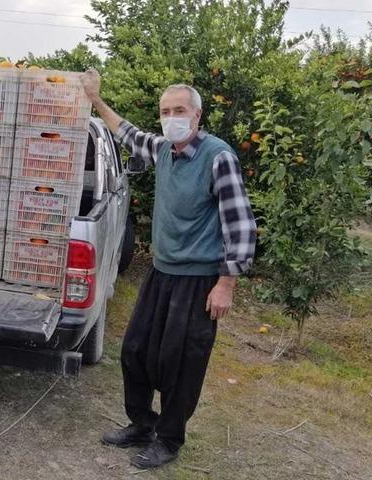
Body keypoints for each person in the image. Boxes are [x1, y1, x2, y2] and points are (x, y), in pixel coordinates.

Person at [80, 70, 257, 469]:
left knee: (181, 362)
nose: (172, 117)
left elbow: (240, 224)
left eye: (180, 110)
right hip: (161, 272)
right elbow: (126, 133)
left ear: (197, 115)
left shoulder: (218, 157)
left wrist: (226, 284)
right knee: (136, 350)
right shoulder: (163, 150)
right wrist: (95, 100)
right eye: (165, 111)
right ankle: (142, 424)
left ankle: (170, 438)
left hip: (197, 280)